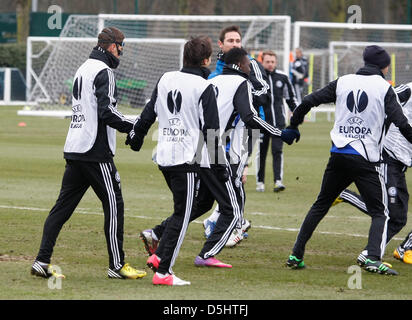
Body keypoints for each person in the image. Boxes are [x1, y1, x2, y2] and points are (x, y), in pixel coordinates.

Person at [137, 48, 300, 266]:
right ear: (241, 65)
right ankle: (206, 255)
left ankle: (158, 241)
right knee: (233, 210)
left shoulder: (212, 82)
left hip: (196, 149)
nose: (250, 69)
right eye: (248, 65)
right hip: (214, 151)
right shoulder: (240, 84)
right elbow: (250, 117)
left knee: (202, 203)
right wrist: (281, 132)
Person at [30, 27, 147, 280]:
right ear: (113, 46)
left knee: (61, 208)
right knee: (115, 205)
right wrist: (135, 125)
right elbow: (107, 113)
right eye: (121, 46)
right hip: (95, 151)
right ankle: (117, 265)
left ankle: (42, 261)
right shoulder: (104, 71)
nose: (122, 52)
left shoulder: (84, 67)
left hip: (75, 146)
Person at [285, 45, 412, 276]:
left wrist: (294, 125)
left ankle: (296, 254)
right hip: (365, 159)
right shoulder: (385, 88)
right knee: (381, 212)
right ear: (385, 67)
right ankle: (373, 258)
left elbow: (309, 100)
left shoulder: (342, 81)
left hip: (338, 154)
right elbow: (403, 125)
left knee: (320, 204)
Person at [127, 36, 232, 286]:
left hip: (164, 156)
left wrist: (137, 135)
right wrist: (220, 168)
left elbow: (149, 110)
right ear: (206, 60)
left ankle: (160, 258)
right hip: (185, 159)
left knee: (180, 212)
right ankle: (164, 272)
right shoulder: (204, 86)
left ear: (185, 57)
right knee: (182, 215)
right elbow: (212, 131)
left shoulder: (166, 78)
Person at [203, 25, 270, 245]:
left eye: (237, 40)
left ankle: (231, 222)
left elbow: (262, 92)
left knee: (236, 177)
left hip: (246, 127)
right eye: (230, 40)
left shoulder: (250, 64)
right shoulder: (215, 71)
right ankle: (227, 220)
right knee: (226, 178)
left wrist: (243, 95)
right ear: (220, 44)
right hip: (219, 132)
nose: (235, 44)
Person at [334, 83, 412, 265]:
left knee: (396, 216)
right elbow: (386, 99)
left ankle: (399, 249)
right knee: (392, 214)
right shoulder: (408, 90)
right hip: (389, 156)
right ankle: (371, 254)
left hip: (403, 161)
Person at [256, 50, 298, 193]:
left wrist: (297, 113)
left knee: (277, 151)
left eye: (273, 62)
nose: (270, 64)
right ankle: (260, 182)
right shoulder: (256, 78)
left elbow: (290, 98)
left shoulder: (283, 77)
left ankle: (278, 181)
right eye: (267, 61)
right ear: (262, 62)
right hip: (261, 124)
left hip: (279, 123)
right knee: (261, 153)